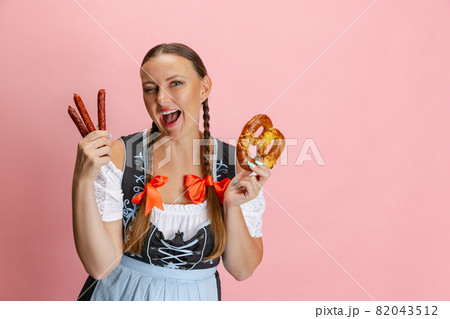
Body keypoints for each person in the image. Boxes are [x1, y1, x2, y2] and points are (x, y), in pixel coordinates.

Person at [72, 43, 270, 301]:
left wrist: (231, 207)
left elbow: (242, 270)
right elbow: (101, 267)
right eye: (150, 89)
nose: (162, 99)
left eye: (176, 83)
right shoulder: (118, 157)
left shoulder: (235, 167)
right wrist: (81, 179)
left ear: (204, 88)